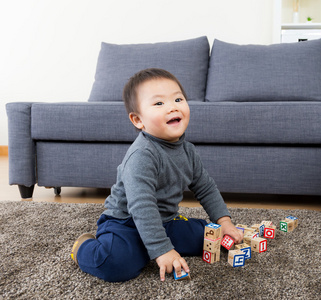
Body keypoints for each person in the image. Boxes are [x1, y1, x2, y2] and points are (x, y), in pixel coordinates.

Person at [70, 68, 243, 282]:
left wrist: (223, 221)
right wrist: (162, 250)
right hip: (127, 223)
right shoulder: (142, 154)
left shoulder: (188, 150)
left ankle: (155, 243)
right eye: (159, 103)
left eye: (178, 99)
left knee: (210, 236)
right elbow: (142, 206)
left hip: (165, 221)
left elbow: (205, 187)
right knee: (115, 265)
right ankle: (84, 248)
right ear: (138, 120)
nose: (172, 107)